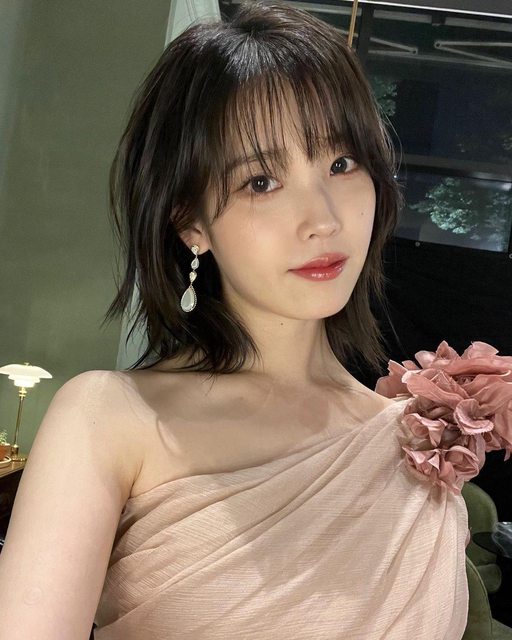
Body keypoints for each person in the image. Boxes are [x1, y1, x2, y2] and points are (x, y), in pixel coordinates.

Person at [2, 1, 511, 638]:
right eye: (262, 182)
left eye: (341, 165)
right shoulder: (109, 418)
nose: (323, 218)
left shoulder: (411, 446)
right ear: (190, 221)